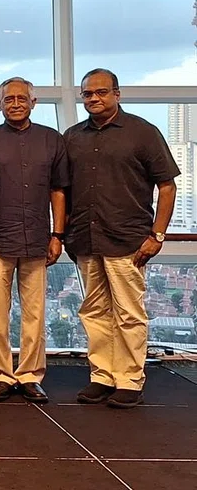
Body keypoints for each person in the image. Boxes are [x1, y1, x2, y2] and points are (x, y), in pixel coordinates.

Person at [65, 68, 179, 409]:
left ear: (117, 93)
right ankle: (102, 376)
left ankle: (129, 379)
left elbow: (167, 186)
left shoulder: (143, 132)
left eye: (101, 92)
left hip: (128, 240)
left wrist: (157, 234)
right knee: (94, 311)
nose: (94, 98)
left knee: (129, 313)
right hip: (85, 238)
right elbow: (63, 190)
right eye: (88, 94)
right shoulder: (72, 136)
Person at [0, 77, 68, 404]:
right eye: (8, 99)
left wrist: (58, 234)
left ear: (33, 102)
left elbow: (58, 190)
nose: (15, 103)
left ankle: (30, 376)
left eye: (21, 98)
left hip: (37, 239)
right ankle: (0, 375)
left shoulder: (51, 140)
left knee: (35, 315)